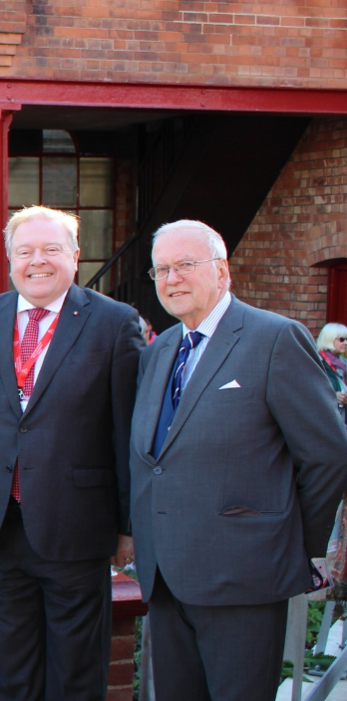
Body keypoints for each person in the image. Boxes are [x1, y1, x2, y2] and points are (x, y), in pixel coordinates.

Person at [129, 220, 347, 701]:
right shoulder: (160, 350)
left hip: (245, 578)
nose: (172, 279)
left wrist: (292, 542)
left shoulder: (274, 339)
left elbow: (328, 455)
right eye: (161, 269)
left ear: (222, 270)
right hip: (166, 578)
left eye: (186, 265)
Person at [0, 206, 144, 701]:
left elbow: (127, 433)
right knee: (16, 670)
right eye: (25, 251)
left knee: (76, 674)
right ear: (10, 258)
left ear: (75, 256)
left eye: (51, 249)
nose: (38, 261)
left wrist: (126, 525)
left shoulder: (116, 324)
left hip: (77, 529)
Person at [316, 322, 347, 411]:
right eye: (342, 339)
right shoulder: (316, 362)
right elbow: (309, 390)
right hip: (325, 416)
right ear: (329, 339)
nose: (346, 342)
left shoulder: (344, 363)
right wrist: (333, 396)